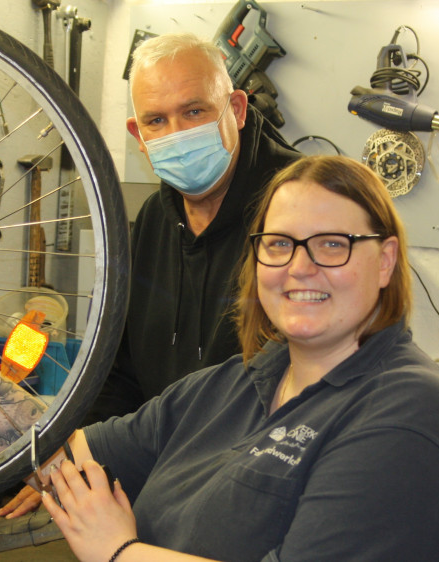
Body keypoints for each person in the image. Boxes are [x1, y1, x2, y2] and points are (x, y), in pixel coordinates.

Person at [0, 155, 439, 561]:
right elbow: (56, 458)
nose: (299, 267)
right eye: (279, 244)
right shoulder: (233, 385)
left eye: (332, 244)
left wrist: (121, 552)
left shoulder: (407, 413)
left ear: (384, 261)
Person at [88, 32, 302, 422]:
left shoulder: (304, 208)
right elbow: (119, 375)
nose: (178, 135)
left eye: (194, 112)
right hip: (157, 450)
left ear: (237, 109)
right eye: (156, 120)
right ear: (139, 135)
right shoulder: (153, 220)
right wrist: (87, 451)